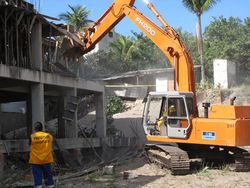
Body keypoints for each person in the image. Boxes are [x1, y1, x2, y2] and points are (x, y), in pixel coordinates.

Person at [29, 121, 54, 188]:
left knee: (37, 177)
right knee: (48, 176)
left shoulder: (32, 136)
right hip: (47, 159)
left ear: (35, 128)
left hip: (35, 160)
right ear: (42, 128)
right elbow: (51, 142)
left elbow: (30, 145)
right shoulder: (49, 136)